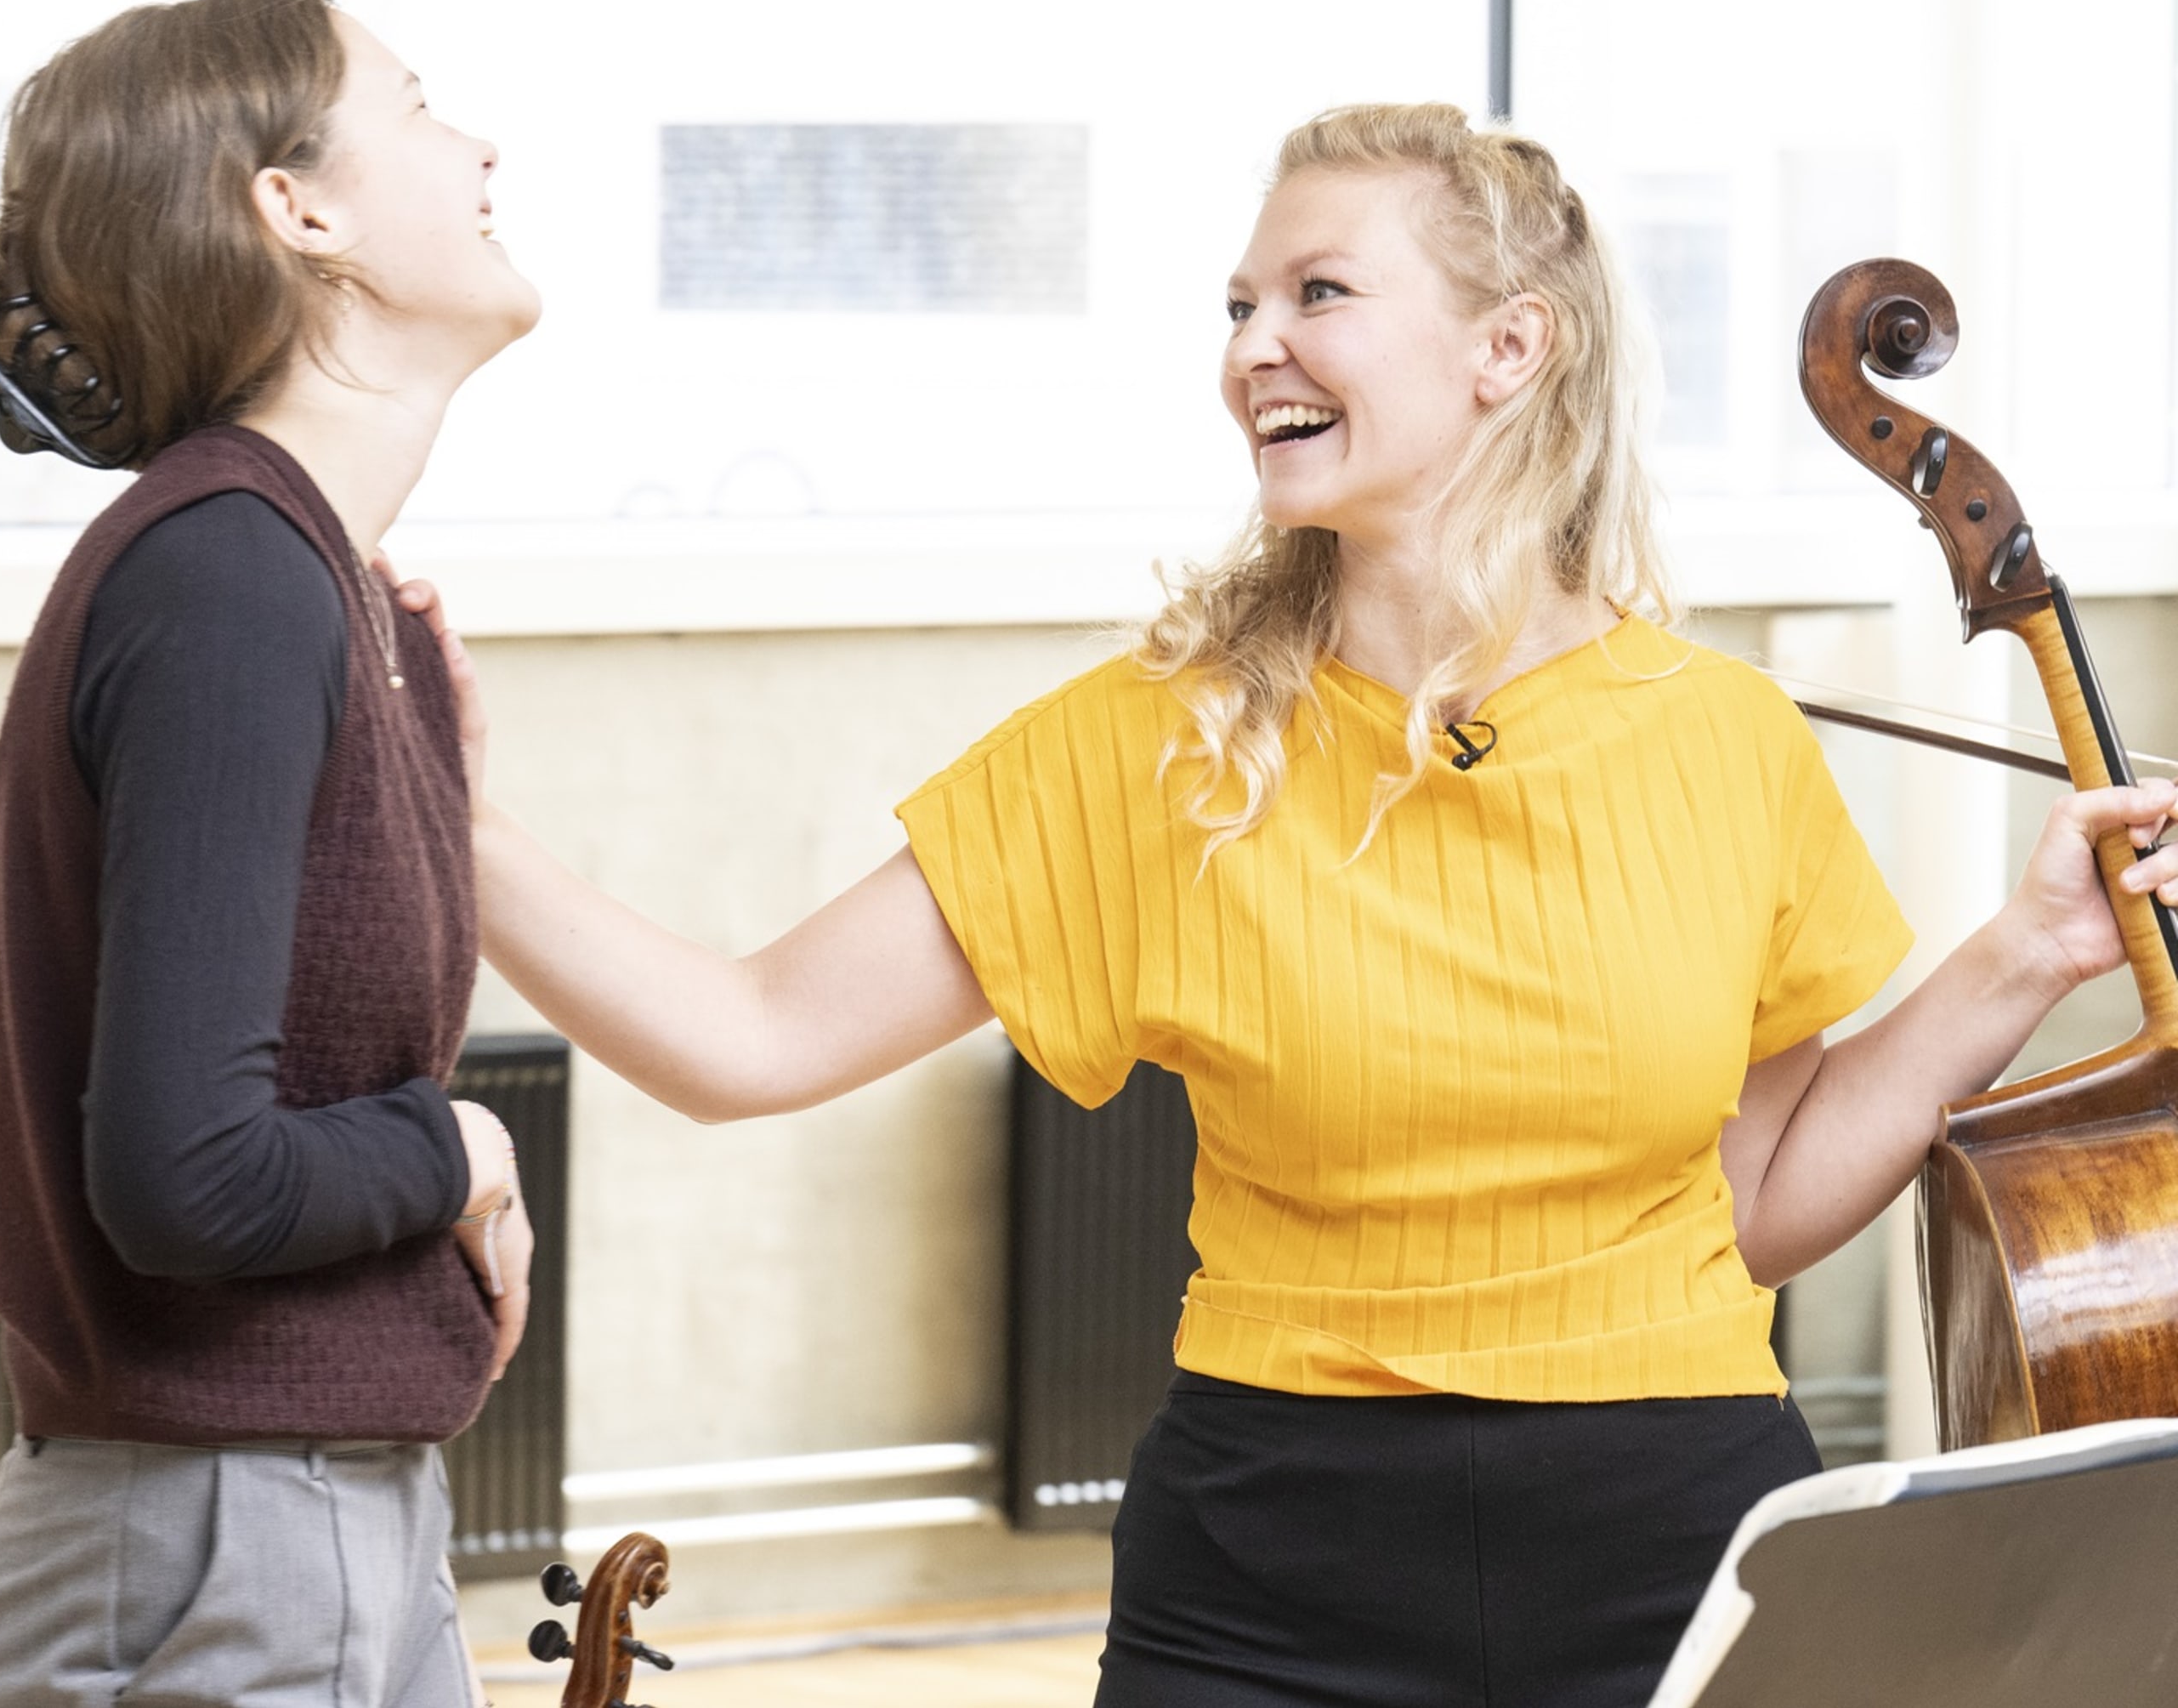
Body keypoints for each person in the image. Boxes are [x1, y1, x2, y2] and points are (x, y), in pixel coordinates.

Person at [399, 101, 2178, 1707]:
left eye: (1316, 294)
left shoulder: (1724, 740)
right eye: (1238, 308)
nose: (1255, 348)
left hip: (1671, 1544)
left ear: (1510, 347)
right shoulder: (1155, 746)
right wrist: (439, 809)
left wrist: (2025, 958)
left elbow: (1760, 1203)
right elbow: (748, 1037)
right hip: (1268, 1571)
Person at [0, 0, 538, 1708]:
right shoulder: (228, 577)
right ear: (299, 207)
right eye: (418, 106)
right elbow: (189, 1180)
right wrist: (466, 1149)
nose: (480, 142)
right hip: (231, 1547)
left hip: (296, 1522)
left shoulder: (310, 582)